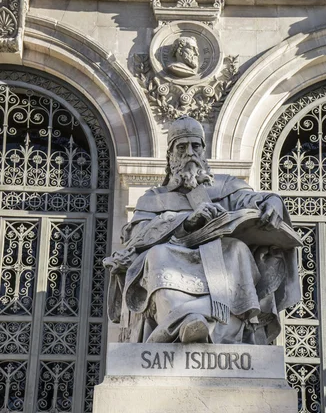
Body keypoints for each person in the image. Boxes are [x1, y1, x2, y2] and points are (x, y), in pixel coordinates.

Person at [104, 116, 301, 345]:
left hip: (221, 255)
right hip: (173, 254)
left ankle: (202, 324)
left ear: (203, 151)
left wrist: (273, 202)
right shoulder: (153, 198)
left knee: (237, 250)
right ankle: (185, 321)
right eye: (182, 147)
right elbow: (137, 235)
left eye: (195, 146)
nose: (189, 152)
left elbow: (255, 199)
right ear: (170, 155)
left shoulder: (226, 185)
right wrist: (185, 222)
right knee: (157, 255)